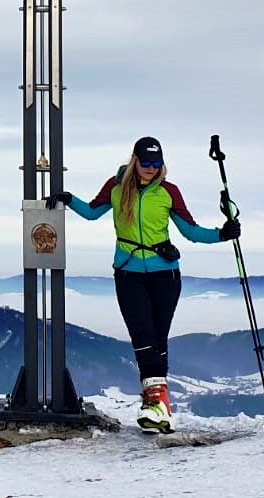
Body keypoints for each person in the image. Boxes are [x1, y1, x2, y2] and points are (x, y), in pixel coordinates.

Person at [47, 136, 240, 433]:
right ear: (135, 159)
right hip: (128, 273)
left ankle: (157, 407)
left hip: (166, 274)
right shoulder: (116, 187)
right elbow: (92, 212)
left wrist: (222, 234)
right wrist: (67, 199)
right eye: (146, 162)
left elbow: (190, 231)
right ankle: (156, 404)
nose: (151, 168)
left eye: (157, 163)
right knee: (144, 336)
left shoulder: (168, 192)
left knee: (158, 340)